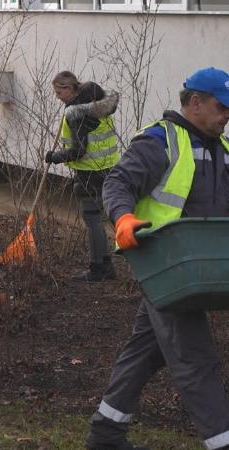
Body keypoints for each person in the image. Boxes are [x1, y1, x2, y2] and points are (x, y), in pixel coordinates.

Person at [86, 67, 229, 450]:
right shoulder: (159, 141)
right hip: (166, 268)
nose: (225, 115)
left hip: (194, 273)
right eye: (221, 107)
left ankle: (106, 431)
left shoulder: (222, 150)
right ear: (195, 102)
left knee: (146, 351)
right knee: (196, 360)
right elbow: (118, 183)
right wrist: (123, 218)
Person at [46, 71, 120, 282]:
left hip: (91, 173)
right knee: (116, 216)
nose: (57, 96)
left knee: (93, 219)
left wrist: (55, 157)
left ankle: (100, 269)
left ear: (69, 89)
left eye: (59, 92)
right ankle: (125, 266)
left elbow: (78, 151)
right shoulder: (99, 103)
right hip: (111, 167)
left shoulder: (78, 114)